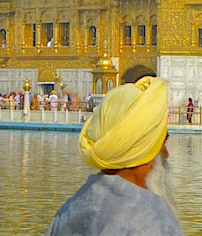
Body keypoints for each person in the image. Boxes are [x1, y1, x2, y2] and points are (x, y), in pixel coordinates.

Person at [46, 77, 183, 235]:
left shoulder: (69, 211)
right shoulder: (154, 221)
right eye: (162, 142)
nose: (166, 154)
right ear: (143, 149)